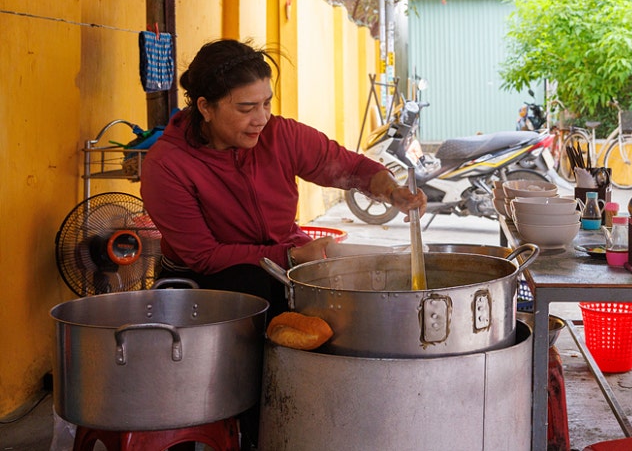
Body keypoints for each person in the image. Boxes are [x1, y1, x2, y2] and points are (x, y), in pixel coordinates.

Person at [141, 39, 426, 318]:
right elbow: (204, 256)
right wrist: (291, 256)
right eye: (246, 108)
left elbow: (350, 168)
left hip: (284, 259)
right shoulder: (166, 165)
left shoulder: (280, 135)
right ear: (205, 108)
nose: (261, 118)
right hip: (209, 283)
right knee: (258, 289)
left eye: (266, 103)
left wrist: (392, 191)